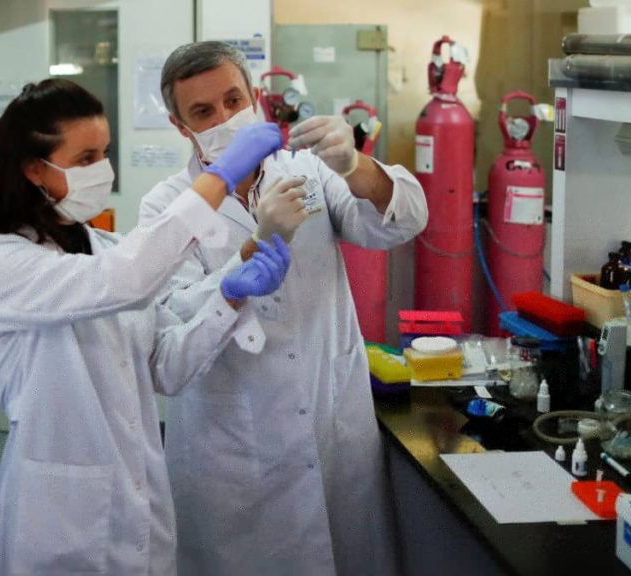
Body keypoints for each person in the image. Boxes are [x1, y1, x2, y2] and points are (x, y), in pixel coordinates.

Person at [0, 78, 290, 575]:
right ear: (34, 170)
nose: (102, 169)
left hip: (141, 499)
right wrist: (220, 177)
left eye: (104, 153)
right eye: (85, 159)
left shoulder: (109, 247)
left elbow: (168, 368)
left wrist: (228, 298)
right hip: (59, 516)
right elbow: (126, 280)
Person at [139, 41, 429, 575]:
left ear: (254, 97)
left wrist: (357, 166)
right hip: (232, 450)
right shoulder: (166, 206)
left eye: (233, 100)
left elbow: (403, 222)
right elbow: (173, 319)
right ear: (181, 127)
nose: (224, 118)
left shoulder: (308, 170)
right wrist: (251, 252)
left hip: (330, 423)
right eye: (203, 111)